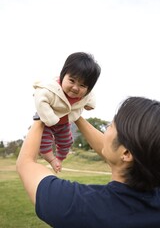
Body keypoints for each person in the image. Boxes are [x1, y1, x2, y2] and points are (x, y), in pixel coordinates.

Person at [16, 96, 160, 228]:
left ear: (127, 153)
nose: (106, 131)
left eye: (111, 125)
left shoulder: (81, 208)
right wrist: (76, 115)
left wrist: (41, 115)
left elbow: (25, 165)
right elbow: (110, 148)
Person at [33, 52, 101, 172]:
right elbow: (40, 99)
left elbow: (90, 97)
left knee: (67, 142)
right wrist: (51, 119)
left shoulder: (86, 95)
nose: (75, 87)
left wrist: (90, 105)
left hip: (64, 124)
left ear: (88, 88)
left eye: (82, 85)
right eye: (72, 80)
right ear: (63, 75)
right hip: (47, 120)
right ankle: (51, 160)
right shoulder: (50, 89)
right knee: (43, 142)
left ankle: (59, 159)